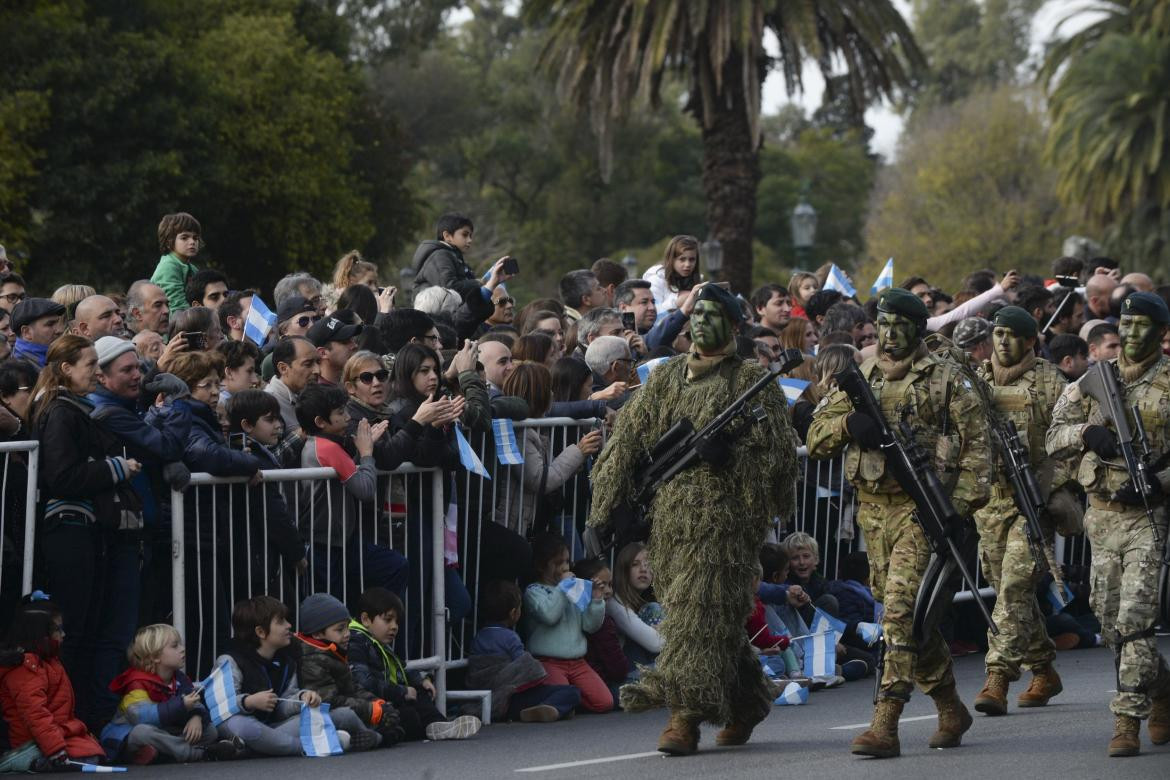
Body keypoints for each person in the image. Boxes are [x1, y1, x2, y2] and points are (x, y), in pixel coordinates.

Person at [589, 283, 798, 755]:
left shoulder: (748, 383)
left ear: (734, 326)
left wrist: (732, 458)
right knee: (704, 618)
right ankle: (747, 701)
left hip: (726, 527)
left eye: (712, 315)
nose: (700, 322)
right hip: (672, 524)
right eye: (695, 314)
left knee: (696, 617)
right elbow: (628, 440)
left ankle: (682, 716)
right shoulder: (667, 378)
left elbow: (781, 464)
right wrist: (606, 506)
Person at [807, 287, 991, 758]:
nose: (889, 333)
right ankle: (950, 706)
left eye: (899, 324)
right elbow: (815, 433)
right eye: (883, 323)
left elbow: (979, 451)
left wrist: (960, 509)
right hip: (871, 510)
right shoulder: (860, 374)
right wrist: (848, 427)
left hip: (920, 511)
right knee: (907, 616)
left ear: (917, 328)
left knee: (900, 614)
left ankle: (885, 721)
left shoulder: (947, 377)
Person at [1045, 291, 1170, 757]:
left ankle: (1127, 719)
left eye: (1143, 327)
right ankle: (1161, 689)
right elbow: (1055, 436)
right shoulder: (1095, 380)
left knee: (1136, 620)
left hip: (1146, 518)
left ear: (1162, 334)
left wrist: (1159, 481)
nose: (1132, 335)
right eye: (1126, 327)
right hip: (1101, 516)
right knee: (1111, 623)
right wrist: (1087, 433)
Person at [30, 335, 143, 727]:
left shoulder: (72, 409)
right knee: (75, 633)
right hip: (69, 533)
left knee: (87, 630)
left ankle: (82, 721)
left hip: (85, 532)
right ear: (65, 369)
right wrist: (117, 468)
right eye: (90, 363)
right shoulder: (61, 413)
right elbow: (62, 476)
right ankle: (69, 721)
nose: (98, 372)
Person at [971, 306, 1069, 716]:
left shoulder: (1050, 381)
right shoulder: (976, 381)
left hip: (1032, 501)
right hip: (989, 502)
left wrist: (1052, 486)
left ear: (1031, 340)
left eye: (1013, 334)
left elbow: (1067, 441)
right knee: (1010, 590)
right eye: (998, 333)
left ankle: (998, 676)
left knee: (1013, 586)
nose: (1003, 341)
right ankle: (1044, 669)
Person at [213, 595, 378, 755]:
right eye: (281, 621)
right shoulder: (229, 660)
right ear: (261, 632)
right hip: (240, 726)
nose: (289, 625)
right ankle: (310, 746)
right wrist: (249, 702)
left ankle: (377, 738)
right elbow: (220, 708)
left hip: (274, 728)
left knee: (343, 715)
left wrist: (302, 698)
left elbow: (283, 706)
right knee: (243, 726)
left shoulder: (287, 661)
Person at [347, 588, 481, 741]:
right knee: (409, 717)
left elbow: (399, 669)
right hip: (371, 703)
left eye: (396, 622)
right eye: (388, 619)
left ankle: (439, 725)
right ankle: (430, 727)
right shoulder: (356, 642)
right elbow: (363, 682)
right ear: (365, 619)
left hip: (388, 697)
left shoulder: (377, 641)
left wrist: (420, 679)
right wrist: (401, 691)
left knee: (420, 692)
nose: (394, 626)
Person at [101, 624, 244, 763]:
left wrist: (196, 716)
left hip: (164, 730)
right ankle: (200, 753)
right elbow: (140, 717)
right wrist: (181, 705)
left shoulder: (179, 678)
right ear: (155, 657)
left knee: (210, 731)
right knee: (142, 732)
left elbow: (195, 701)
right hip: (129, 733)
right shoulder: (136, 682)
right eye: (175, 646)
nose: (182, 649)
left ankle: (163, 753)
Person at [496, 364, 602, 535]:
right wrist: (578, 451)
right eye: (548, 389)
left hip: (525, 521)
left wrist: (573, 466)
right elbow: (539, 479)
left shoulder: (534, 429)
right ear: (539, 394)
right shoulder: (519, 433)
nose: (553, 395)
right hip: (511, 524)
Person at [0, 598, 104, 773]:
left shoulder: (48, 662)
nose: (63, 635)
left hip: (52, 734)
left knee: (93, 752)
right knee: (87, 756)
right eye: (58, 629)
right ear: (40, 635)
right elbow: (36, 714)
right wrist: (56, 749)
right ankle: (29, 761)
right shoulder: (25, 670)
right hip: (31, 742)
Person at [293, 593, 404, 746]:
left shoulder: (333, 651)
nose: (347, 634)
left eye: (347, 627)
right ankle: (370, 737)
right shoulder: (313, 658)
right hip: (322, 713)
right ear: (318, 633)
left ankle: (374, 736)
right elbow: (328, 700)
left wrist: (377, 702)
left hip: (343, 706)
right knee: (347, 716)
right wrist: (370, 710)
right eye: (340, 630)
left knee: (393, 717)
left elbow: (352, 687)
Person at [519, 535, 613, 714]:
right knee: (563, 698)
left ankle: (568, 703)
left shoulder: (572, 588)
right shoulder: (533, 592)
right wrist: (562, 589)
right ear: (541, 565)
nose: (564, 567)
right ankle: (558, 704)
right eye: (558, 563)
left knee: (605, 702)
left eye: (567, 562)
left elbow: (589, 626)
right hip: (549, 661)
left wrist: (596, 600)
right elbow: (549, 615)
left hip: (578, 662)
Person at [466, 580, 582, 723]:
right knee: (571, 692)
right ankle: (549, 708)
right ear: (514, 613)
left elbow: (479, 671)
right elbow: (527, 670)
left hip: (488, 700)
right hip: (512, 700)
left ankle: (553, 709)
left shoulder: (478, 637)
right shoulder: (510, 638)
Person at [571, 558, 627, 695]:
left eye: (610, 585)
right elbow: (618, 670)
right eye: (601, 586)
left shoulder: (576, 612)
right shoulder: (601, 621)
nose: (608, 591)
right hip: (606, 686)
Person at [608, 543, 663, 672]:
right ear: (624, 569)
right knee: (653, 609)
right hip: (625, 678)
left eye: (648, 564)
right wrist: (669, 633)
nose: (643, 569)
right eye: (635, 564)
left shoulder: (643, 605)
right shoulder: (613, 603)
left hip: (643, 670)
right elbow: (657, 644)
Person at [265, 336, 320, 436]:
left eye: (318, 362)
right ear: (283, 368)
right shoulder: (267, 405)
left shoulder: (313, 394)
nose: (317, 370)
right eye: (308, 364)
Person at [151, 212, 201, 313]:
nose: (192, 242)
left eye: (195, 238)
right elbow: (177, 307)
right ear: (169, 242)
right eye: (184, 238)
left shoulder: (193, 269)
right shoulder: (168, 267)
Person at [643, 236, 700, 315]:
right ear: (671, 259)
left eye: (692, 259)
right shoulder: (656, 279)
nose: (687, 264)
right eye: (682, 259)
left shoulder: (696, 280)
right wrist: (676, 302)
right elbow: (651, 313)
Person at [307, 312, 362, 387]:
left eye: (352, 339)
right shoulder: (318, 395)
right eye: (345, 341)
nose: (354, 345)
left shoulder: (348, 385)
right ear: (323, 353)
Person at [11, 298, 67, 368]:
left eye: (58, 322)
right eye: (50, 324)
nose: (60, 330)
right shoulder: (19, 371)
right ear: (27, 332)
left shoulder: (54, 358)